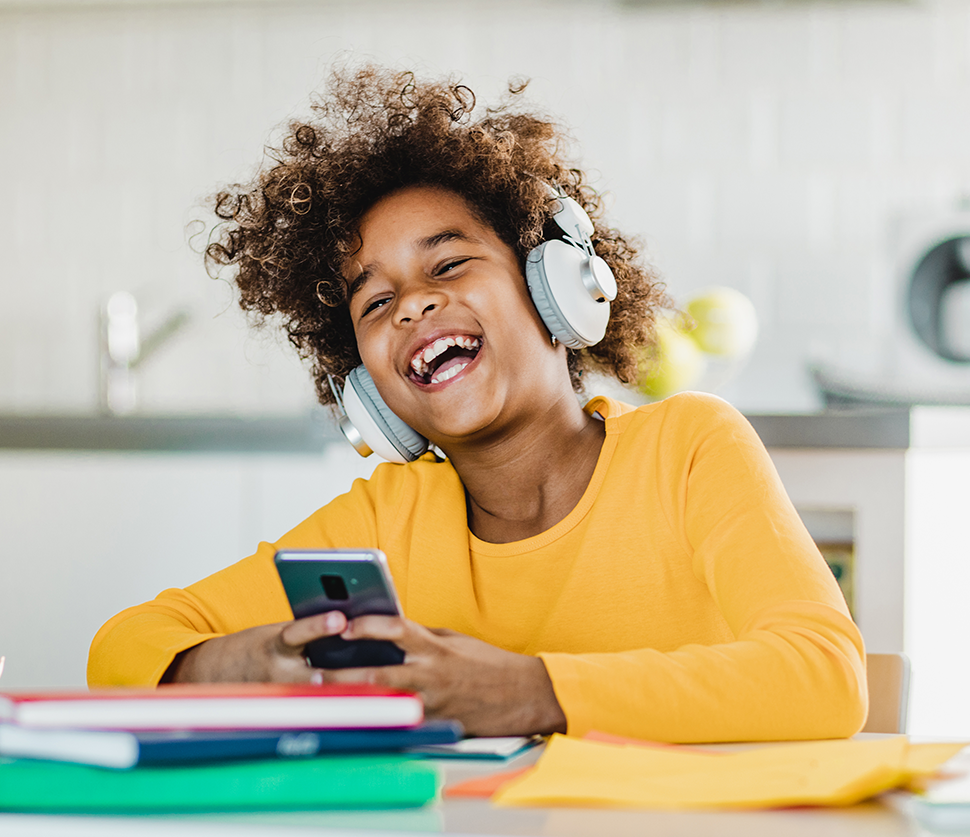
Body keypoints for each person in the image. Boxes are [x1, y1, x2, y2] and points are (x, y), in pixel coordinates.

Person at [88, 66, 867, 742]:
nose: (412, 308)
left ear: (557, 288)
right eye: (375, 302)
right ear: (363, 386)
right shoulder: (386, 519)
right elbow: (119, 649)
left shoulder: (689, 447)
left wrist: (529, 690)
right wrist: (250, 662)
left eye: (450, 264)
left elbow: (826, 677)